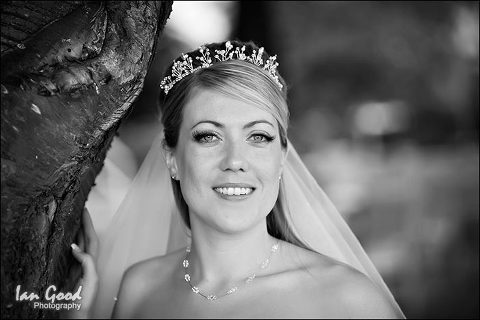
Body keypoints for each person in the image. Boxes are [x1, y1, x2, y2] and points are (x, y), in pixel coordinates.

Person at [71, 40, 405, 318]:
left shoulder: (348, 301)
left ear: (282, 159)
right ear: (172, 158)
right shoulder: (138, 289)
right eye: (208, 137)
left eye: (258, 137)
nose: (235, 162)